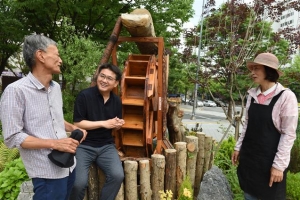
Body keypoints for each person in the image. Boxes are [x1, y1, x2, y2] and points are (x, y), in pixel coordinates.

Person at [0, 34, 87, 200]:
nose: (60, 60)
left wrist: (72, 128)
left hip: (69, 165)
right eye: (57, 55)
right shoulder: (16, 91)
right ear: (40, 55)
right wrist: (55, 143)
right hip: (46, 171)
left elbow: (52, 119)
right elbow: (12, 137)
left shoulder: (54, 88)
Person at [231, 52, 298, 200]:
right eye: (252, 68)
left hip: (270, 162)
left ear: (269, 70)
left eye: (256, 68)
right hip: (250, 159)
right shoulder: (252, 95)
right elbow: (247, 124)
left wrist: (279, 166)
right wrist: (238, 147)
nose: (252, 73)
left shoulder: (286, 97)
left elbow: (288, 135)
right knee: (249, 195)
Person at [70, 63, 125, 200]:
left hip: (106, 146)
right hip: (83, 145)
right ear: (97, 76)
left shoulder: (116, 101)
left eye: (109, 78)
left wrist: (117, 125)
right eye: (102, 76)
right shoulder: (84, 96)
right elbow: (78, 123)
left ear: (116, 83)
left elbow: (113, 125)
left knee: (118, 175)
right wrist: (104, 123)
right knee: (78, 183)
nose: (104, 80)